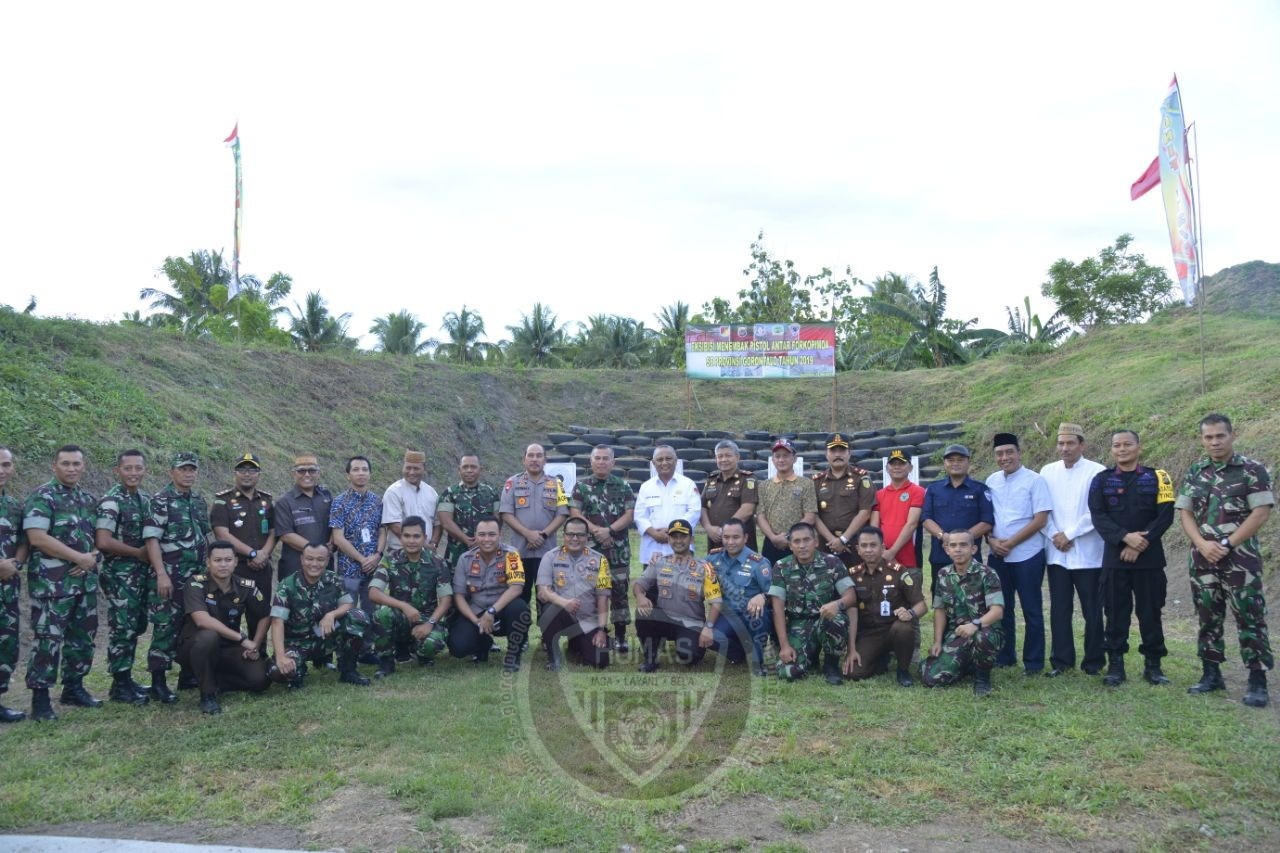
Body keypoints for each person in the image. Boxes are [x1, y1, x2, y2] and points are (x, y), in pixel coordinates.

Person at [1175, 413, 1274, 708]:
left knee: (1249, 616)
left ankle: (1257, 680)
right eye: (1208, 437)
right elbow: (1186, 512)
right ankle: (1211, 673)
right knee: (1207, 614)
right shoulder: (1196, 471)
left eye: (1220, 436)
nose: (1214, 442)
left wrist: (1227, 543)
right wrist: (1201, 544)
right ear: (1202, 439)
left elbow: (1261, 512)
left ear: (1231, 436)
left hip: (1240, 559)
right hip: (1203, 556)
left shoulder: (1252, 470)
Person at [1088, 430, 1175, 687]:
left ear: (1139, 447)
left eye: (1127, 444)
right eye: (1117, 445)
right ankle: (1116, 665)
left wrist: (1139, 544)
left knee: (1150, 612)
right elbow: (1098, 516)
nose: (1122, 449)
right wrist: (1125, 538)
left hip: (1149, 560)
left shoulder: (1160, 477)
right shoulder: (1100, 480)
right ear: (1112, 450)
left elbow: (1165, 515)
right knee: (1115, 613)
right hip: (1115, 559)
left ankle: (1154, 666)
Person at [23, 445, 102, 721]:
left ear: (83, 467)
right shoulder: (42, 497)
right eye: (66, 463)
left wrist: (93, 556)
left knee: (83, 637)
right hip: (52, 584)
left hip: (84, 584)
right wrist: (78, 558)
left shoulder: (87, 499)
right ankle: (41, 699)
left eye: (76, 464)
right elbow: (37, 537)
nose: (71, 469)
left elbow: (97, 539)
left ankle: (74, 687)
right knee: (48, 640)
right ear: (54, 466)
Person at [143, 451, 212, 704]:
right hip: (170, 575)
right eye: (183, 469)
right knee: (165, 626)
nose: (188, 473)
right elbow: (152, 539)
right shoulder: (160, 500)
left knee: (192, 624)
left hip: (195, 575)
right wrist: (161, 574)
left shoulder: (197, 500)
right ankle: (158, 682)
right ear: (172, 472)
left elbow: (204, 536)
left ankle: (188, 674)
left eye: (192, 469)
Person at [1039, 423, 1106, 678]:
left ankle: (1094, 661)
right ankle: (1061, 661)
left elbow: (1096, 512)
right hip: (1057, 553)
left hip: (1088, 554)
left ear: (1082, 445)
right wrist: (1055, 534)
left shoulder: (1096, 472)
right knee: (1059, 609)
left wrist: (1070, 534)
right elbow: (1042, 508)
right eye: (1061, 443)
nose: (1064, 448)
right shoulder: (1047, 471)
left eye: (1070, 443)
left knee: (1092, 611)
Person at [985, 433, 1052, 674]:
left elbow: (1040, 520)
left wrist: (1010, 542)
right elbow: (987, 517)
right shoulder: (991, 480)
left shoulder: (1035, 480)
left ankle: (1033, 663)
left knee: (1031, 609)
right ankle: (1005, 656)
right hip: (998, 555)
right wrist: (991, 541)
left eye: (1009, 452)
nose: (1004, 458)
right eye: (999, 454)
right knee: (1002, 608)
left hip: (1028, 554)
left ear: (1019, 452)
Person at [178, 540, 270, 714]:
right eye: (217, 560)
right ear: (208, 562)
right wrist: (242, 639)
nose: (223, 565)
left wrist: (256, 644)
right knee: (208, 636)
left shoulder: (245, 587)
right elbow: (202, 620)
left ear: (235, 561)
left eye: (227, 560)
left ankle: (214, 680)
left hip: (227, 647)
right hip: (195, 647)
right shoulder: (196, 583)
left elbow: (265, 614)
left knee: (259, 679)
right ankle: (208, 695)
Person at [267, 541, 371, 688]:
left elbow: (348, 604)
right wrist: (280, 656)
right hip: (297, 644)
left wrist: (332, 615)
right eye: (309, 559)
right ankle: (298, 670)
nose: (314, 564)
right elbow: (277, 622)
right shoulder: (287, 585)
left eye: (320, 559)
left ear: (327, 560)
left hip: (324, 638)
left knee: (358, 617)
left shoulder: (333, 579)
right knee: (276, 672)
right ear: (302, 559)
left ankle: (348, 670)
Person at [94, 449, 152, 705]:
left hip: (140, 576)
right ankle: (119, 684)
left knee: (135, 626)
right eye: (128, 468)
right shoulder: (111, 501)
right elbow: (104, 541)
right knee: (122, 628)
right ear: (118, 471)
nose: (133, 473)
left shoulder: (144, 498)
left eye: (138, 468)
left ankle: (127, 680)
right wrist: (138, 553)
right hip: (119, 576)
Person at [768, 521, 857, 685]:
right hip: (798, 623)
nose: (802, 546)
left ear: (815, 542)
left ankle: (831, 665)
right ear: (790, 545)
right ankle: (811, 656)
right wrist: (785, 645)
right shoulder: (781, 566)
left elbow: (851, 596)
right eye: (796, 541)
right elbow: (778, 607)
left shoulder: (832, 562)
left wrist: (837, 604)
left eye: (806, 540)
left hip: (825, 618)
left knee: (836, 620)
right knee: (787, 672)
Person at [922, 529, 1006, 695]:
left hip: (985, 631)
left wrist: (975, 625)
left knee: (984, 637)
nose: (958, 549)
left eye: (963, 545)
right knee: (931, 679)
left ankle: (982, 678)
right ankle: (967, 664)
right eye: (953, 545)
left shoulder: (987, 573)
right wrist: (937, 642)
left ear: (973, 549)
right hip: (958, 635)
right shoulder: (943, 574)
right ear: (947, 550)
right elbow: (939, 610)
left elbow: (997, 611)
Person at [368, 515, 453, 677]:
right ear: (401, 537)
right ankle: (386, 662)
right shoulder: (390, 559)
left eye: (416, 536)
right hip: (401, 617)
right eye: (406, 536)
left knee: (433, 643)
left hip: (427, 618)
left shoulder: (437, 562)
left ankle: (419, 653)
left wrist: (430, 623)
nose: (411, 541)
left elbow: (446, 600)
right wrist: (403, 606)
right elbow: (373, 592)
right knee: (382, 613)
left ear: (425, 538)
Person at [569, 445, 635, 652]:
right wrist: (598, 531)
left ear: (613, 462)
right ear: (591, 461)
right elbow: (575, 513)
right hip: (590, 549)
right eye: (597, 458)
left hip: (618, 548)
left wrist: (610, 531)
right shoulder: (581, 487)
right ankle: (594, 633)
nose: (601, 462)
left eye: (606, 458)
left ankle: (621, 635)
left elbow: (629, 514)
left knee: (619, 591)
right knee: (590, 591)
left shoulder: (623, 486)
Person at [632, 519, 721, 672]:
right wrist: (640, 597)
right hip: (665, 618)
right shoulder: (660, 562)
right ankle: (651, 659)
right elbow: (639, 585)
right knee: (643, 613)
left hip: (691, 622)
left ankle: (692, 646)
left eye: (683, 536)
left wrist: (708, 628)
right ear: (669, 539)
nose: (678, 541)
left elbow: (716, 602)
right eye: (674, 536)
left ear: (691, 539)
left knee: (688, 657)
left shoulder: (705, 568)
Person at [844, 526, 926, 686]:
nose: (868, 550)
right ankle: (880, 660)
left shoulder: (898, 571)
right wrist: (851, 649)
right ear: (858, 549)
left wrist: (910, 613)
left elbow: (921, 605)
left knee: (904, 628)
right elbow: (850, 611)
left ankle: (903, 670)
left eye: (873, 545)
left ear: (882, 548)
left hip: (894, 628)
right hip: (869, 633)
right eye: (864, 546)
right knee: (853, 672)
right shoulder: (853, 575)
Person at [448, 515, 531, 672]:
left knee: (519, 608)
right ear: (476, 536)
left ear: (500, 535)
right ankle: (483, 644)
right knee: (458, 648)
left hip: (502, 612)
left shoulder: (512, 555)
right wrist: (476, 621)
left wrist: (491, 612)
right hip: (476, 612)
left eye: (492, 534)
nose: (487, 539)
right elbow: (459, 595)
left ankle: (514, 654)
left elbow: (516, 588)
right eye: (482, 534)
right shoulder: (465, 559)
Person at [210, 453, 275, 643]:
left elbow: (274, 532)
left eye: (252, 470)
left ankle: (259, 654)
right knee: (230, 614)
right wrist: (252, 553)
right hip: (234, 569)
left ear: (259, 473)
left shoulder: (267, 500)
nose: (247, 474)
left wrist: (263, 555)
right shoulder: (223, 500)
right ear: (235, 473)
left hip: (262, 568)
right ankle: (230, 657)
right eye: (242, 469)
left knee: (260, 613)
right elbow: (222, 533)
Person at [499, 444, 569, 614]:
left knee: (546, 597)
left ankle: (546, 637)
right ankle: (520, 639)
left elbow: (562, 514)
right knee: (518, 598)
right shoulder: (512, 483)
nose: (534, 459)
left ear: (545, 460)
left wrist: (542, 536)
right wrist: (528, 534)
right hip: (519, 552)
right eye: (530, 455)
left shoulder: (556, 484)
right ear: (524, 459)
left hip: (547, 552)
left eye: (539, 456)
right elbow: (506, 513)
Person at [536, 516, 611, 670]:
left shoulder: (600, 560)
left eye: (580, 535)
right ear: (563, 535)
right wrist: (564, 603)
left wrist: (601, 630)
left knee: (599, 661)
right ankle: (554, 657)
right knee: (549, 610)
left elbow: (603, 598)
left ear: (587, 537)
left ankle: (576, 644)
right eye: (570, 534)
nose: (574, 538)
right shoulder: (550, 557)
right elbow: (543, 590)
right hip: (562, 615)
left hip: (587, 620)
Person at [920, 444, 993, 592]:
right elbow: (926, 518)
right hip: (940, 555)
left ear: (968, 463)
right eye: (951, 460)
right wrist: (944, 536)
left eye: (960, 460)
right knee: (941, 599)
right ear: (944, 464)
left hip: (970, 557)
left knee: (974, 600)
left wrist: (962, 541)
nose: (955, 463)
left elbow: (987, 521)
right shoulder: (933, 489)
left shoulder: (980, 489)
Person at [706, 518, 772, 676]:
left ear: (746, 538)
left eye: (735, 537)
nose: (730, 542)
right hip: (727, 615)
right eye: (726, 537)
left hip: (752, 614)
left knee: (760, 617)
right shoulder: (713, 559)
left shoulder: (759, 563)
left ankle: (758, 660)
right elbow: (693, 570)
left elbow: (774, 591)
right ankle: (739, 653)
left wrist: (763, 596)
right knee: (711, 637)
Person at [329, 455, 385, 618]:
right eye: (356, 469)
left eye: (364, 469)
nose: (361, 473)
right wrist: (362, 560)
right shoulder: (339, 502)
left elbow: (382, 531)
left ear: (370, 474)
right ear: (348, 475)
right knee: (347, 613)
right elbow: (338, 538)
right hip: (349, 569)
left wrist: (377, 555)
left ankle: (369, 644)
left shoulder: (377, 502)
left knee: (372, 614)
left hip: (373, 569)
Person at [812, 433, 874, 569]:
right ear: (826, 454)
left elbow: (865, 512)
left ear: (849, 453)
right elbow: (814, 515)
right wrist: (832, 540)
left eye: (842, 450)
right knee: (825, 586)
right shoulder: (816, 481)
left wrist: (843, 539)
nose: (837, 454)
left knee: (856, 585)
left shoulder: (861, 478)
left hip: (854, 545)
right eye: (833, 450)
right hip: (826, 545)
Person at [635, 445, 702, 567]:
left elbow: (694, 512)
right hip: (652, 548)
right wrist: (655, 534)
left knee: (681, 584)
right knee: (651, 585)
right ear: (653, 463)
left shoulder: (688, 484)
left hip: (681, 547)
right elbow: (640, 516)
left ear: (676, 461)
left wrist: (672, 531)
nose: (664, 463)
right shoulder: (646, 487)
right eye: (660, 460)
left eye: (668, 458)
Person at [0, 446, 28, 722]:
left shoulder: (13, 506)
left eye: (6, 464)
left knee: (5, 644)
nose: (1, 470)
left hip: (7, 587)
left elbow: (23, 542)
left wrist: (15, 565)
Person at [756, 438, 817, 565]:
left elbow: (810, 516)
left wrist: (790, 537)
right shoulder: (764, 485)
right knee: (771, 579)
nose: (781, 460)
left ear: (794, 458)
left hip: (798, 542)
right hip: (771, 542)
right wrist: (773, 537)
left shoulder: (806, 484)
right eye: (777, 456)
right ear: (772, 459)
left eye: (786, 456)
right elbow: (761, 516)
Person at [273, 454, 333, 582]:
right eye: (301, 471)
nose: (307, 474)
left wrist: (333, 543)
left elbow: (335, 525)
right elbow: (286, 535)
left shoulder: (327, 497)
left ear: (318, 473)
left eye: (311, 470)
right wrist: (317, 552)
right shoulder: (284, 502)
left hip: (325, 569)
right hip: (294, 571)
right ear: (294, 474)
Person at [438, 454, 500, 568]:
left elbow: (498, 520)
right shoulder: (449, 493)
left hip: (486, 551)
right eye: (465, 467)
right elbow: (446, 522)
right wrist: (466, 540)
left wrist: (482, 540)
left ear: (480, 470)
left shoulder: (492, 492)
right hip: (457, 553)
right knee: (457, 583)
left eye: (473, 467)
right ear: (459, 470)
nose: (469, 470)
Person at [871, 450, 926, 570]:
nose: (896, 467)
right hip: (882, 555)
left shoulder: (917, 491)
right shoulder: (879, 494)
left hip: (909, 557)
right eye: (893, 463)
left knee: (911, 587)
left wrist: (892, 551)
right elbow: (874, 525)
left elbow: (912, 524)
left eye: (901, 463)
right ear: (887, 468)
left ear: (910, 468)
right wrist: (882, 549)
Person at [701, 440, 759, 552]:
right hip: (715, 539)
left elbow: (747, 509)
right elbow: (702, 507)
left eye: (728, 456)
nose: (723, 459)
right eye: (720, 456)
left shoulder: (747, 479)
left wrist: (726, 532)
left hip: (740, 541)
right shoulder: (711, 480)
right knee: (714, 568)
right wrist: (709, 528)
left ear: (737, 457)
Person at [382, 450, 440, 555]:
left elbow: (438, 523)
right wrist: (423, 544)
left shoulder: (431, 493)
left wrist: (433, 544)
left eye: (416, 468)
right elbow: (394, 525)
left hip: (426, 554)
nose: (411, 472)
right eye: (408, 468)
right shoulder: (394, 491)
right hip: (399, 553)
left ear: (424, 469)